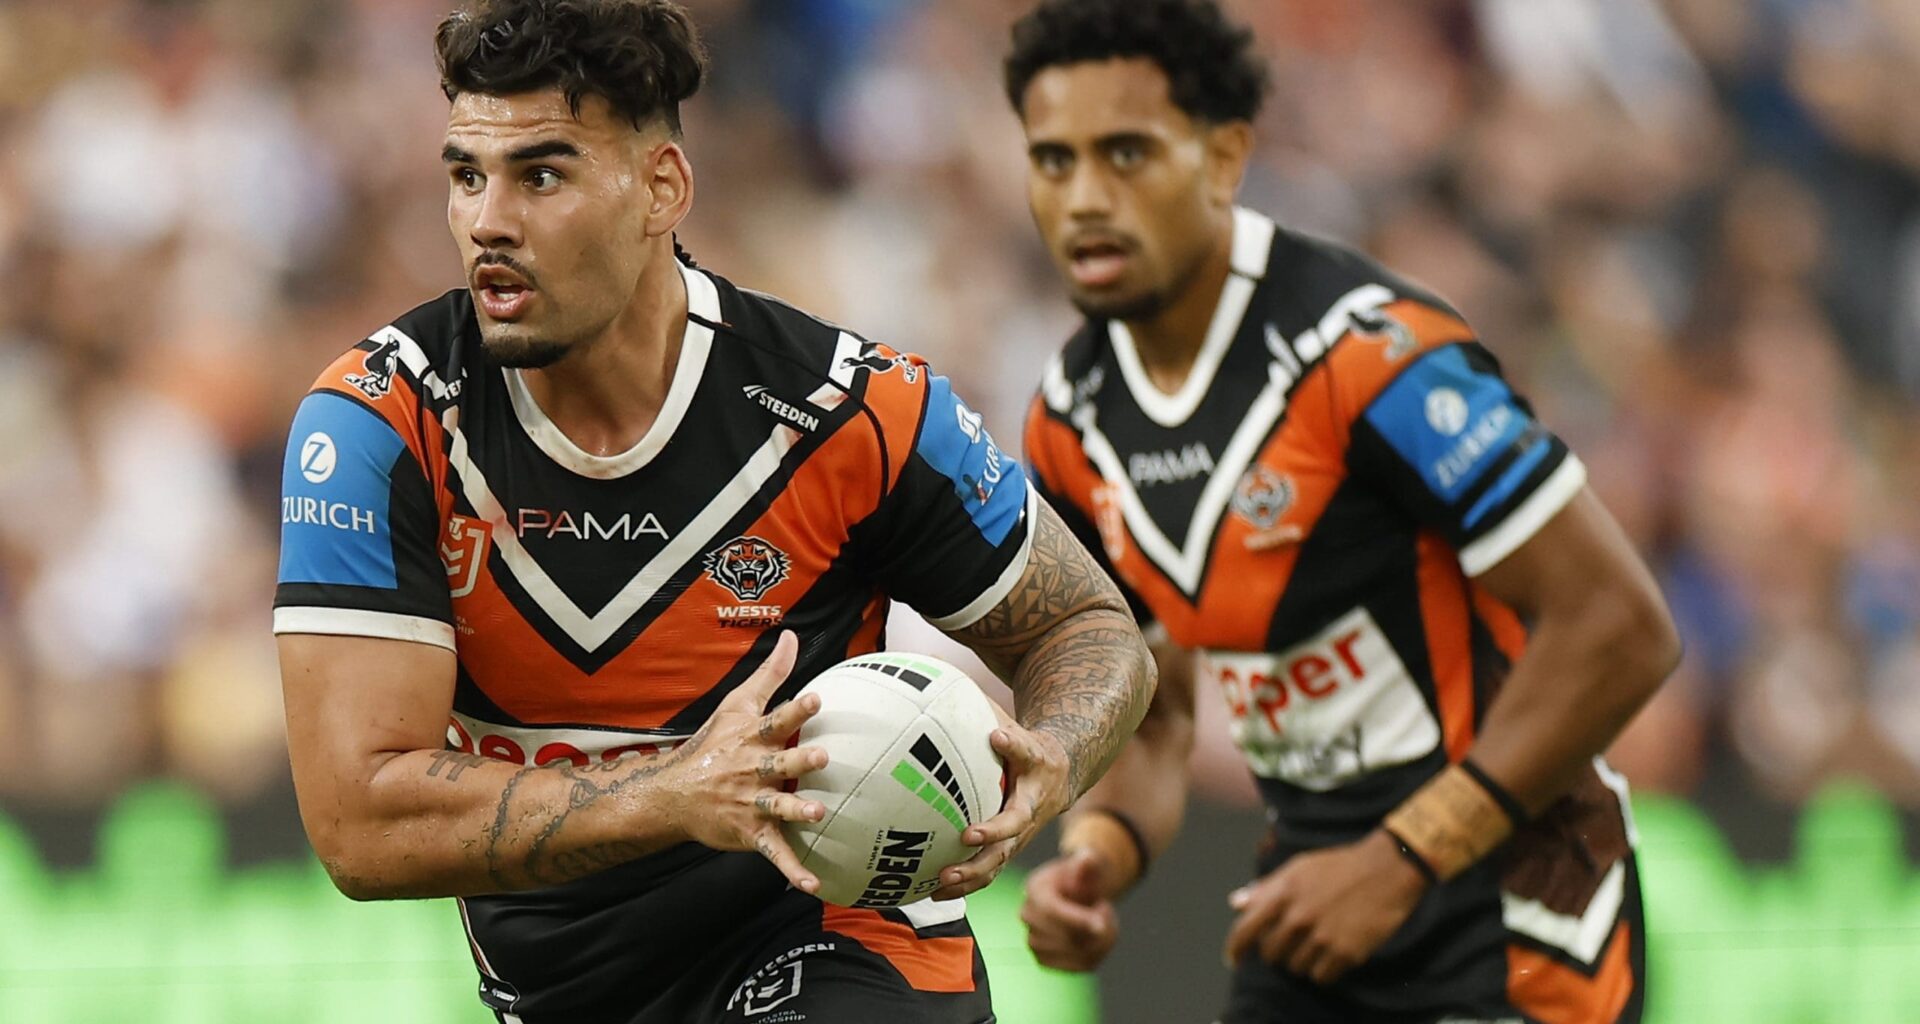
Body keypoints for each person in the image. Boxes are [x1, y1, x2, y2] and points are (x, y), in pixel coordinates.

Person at [271, 2, 1156, 1022]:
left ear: (663, 188)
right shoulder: (383, 425)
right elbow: (360, 825)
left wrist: (1058, 754)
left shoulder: (848, 411)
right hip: (566, 993)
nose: (488, 222)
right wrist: (675, 792)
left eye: (541, 176)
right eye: (467, 176)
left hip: (834, 932)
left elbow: (1088, 627)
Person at [1004, 2, 1682, 1022]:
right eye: (1054, 160)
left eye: (1127, 152)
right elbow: (1156, 707)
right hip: (1315, 900)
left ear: (1224, 157)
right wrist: (1098, 853)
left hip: (1513, 905)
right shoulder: (1069, 420)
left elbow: (1622, 626)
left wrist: (1403, 857)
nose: (1085, 197)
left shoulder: (1372, 358)